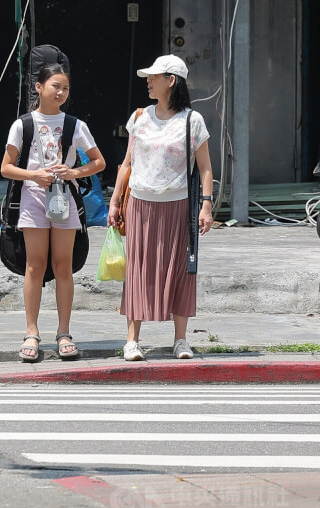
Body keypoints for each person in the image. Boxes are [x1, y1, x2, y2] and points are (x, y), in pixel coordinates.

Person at [107, 54, 214, 361]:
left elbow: (205, 168)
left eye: (154, 77)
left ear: (171, 81)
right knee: (139, 270)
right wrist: (115, 201)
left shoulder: (193, 121)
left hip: (178, 206)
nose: (148, 81)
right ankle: (132, 340)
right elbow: (127, 163)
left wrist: (205, 207)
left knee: (182, 271)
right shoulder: (140, 116)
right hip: (141, 205)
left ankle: (181, 340)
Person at [0, 64, 106, 362]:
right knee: (35, 265)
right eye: (55, 86)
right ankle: (31, 332)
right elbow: (6, 167)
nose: (60, 92)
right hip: (32, 199)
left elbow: (99, 162)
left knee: (63, 266)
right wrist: (34, 176)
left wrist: (73, 171)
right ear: (38, 87)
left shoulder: (75, 125)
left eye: (65, 88)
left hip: (64, 199)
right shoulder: (23, 124)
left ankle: (64, 332)